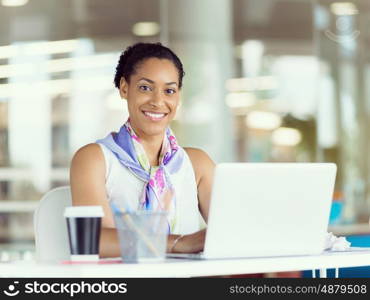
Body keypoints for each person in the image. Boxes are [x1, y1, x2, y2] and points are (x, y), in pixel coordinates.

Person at [70, 42, 215, 258]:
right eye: (145, 88)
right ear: (124, 88)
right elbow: (94, 241)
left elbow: (233, 232)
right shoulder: (94, 159)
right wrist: (178, 243)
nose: (158, 101)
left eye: (169, 90)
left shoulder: (197, 164)